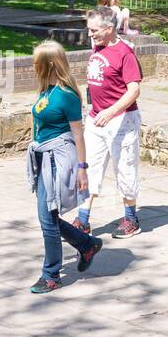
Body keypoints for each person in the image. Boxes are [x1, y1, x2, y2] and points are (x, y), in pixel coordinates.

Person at [25, 40, 104, 294]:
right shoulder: (45, 90)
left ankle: (51, 275)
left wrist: (82, 168)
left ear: (49, 64)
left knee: (47, 218)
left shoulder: (67, 96)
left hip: (58, 161)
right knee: (48, 217)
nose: (33, 67)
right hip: (42, 157)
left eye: (36, 63)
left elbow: (78, 135)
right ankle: (86, 244)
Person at [75, 6, 143, 239]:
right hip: (96, 118)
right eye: (89, 30)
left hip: (121, 120)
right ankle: (83, 220)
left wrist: (111, 111)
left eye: (94, 30)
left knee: (125, 168)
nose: (90, 34)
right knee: (89, 166)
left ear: (109, 28)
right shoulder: (98, 46)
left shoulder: (125, 54)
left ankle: (131, 218)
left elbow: (133, 90)